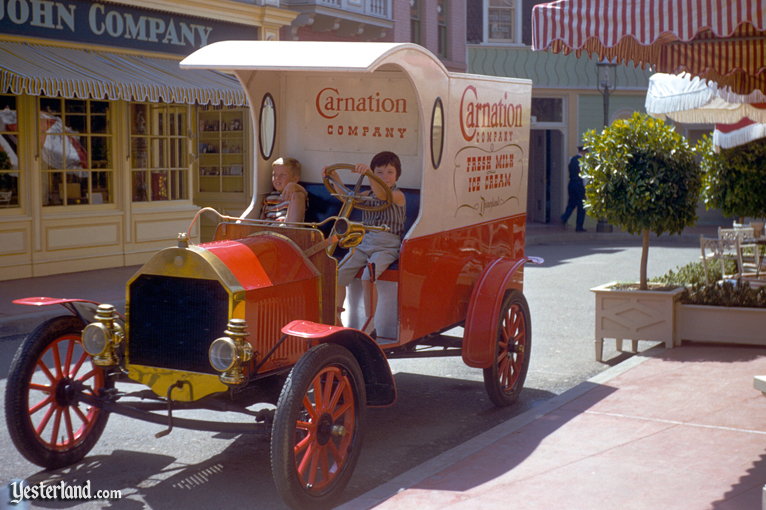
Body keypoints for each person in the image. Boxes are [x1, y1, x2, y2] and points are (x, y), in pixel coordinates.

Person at [322, 151, 406, 331]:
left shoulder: (398, 195)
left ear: (397, 174)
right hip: (365, 241)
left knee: (368, 277)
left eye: (390, 172)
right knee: (339, 274)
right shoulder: (368, 193)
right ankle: (337, 316)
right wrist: (334, 177)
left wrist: (369, 175)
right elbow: (347, 197)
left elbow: (383, 195)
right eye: (380, 173)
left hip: (387, 245)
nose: (385, 176)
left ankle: (370, 320)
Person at [260, 157, 306, 223]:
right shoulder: (269, 197)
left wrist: (293, 186)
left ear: (295, 179)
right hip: (268, 229)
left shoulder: (296, 194)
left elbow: (304, 193)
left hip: (286, 230)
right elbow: (262, 218)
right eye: (274, 174)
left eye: (283, 175)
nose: (277, 178)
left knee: (298, 195)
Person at [561, 146, 587, 232]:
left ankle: (564, 218)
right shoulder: (583, 161)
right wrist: (585, 186)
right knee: (582, 206)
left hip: (571, 183)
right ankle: (579, 226)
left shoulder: (571, 159)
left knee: (571, 203)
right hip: (579, 184)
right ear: (583, 151)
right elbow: (584, 176)